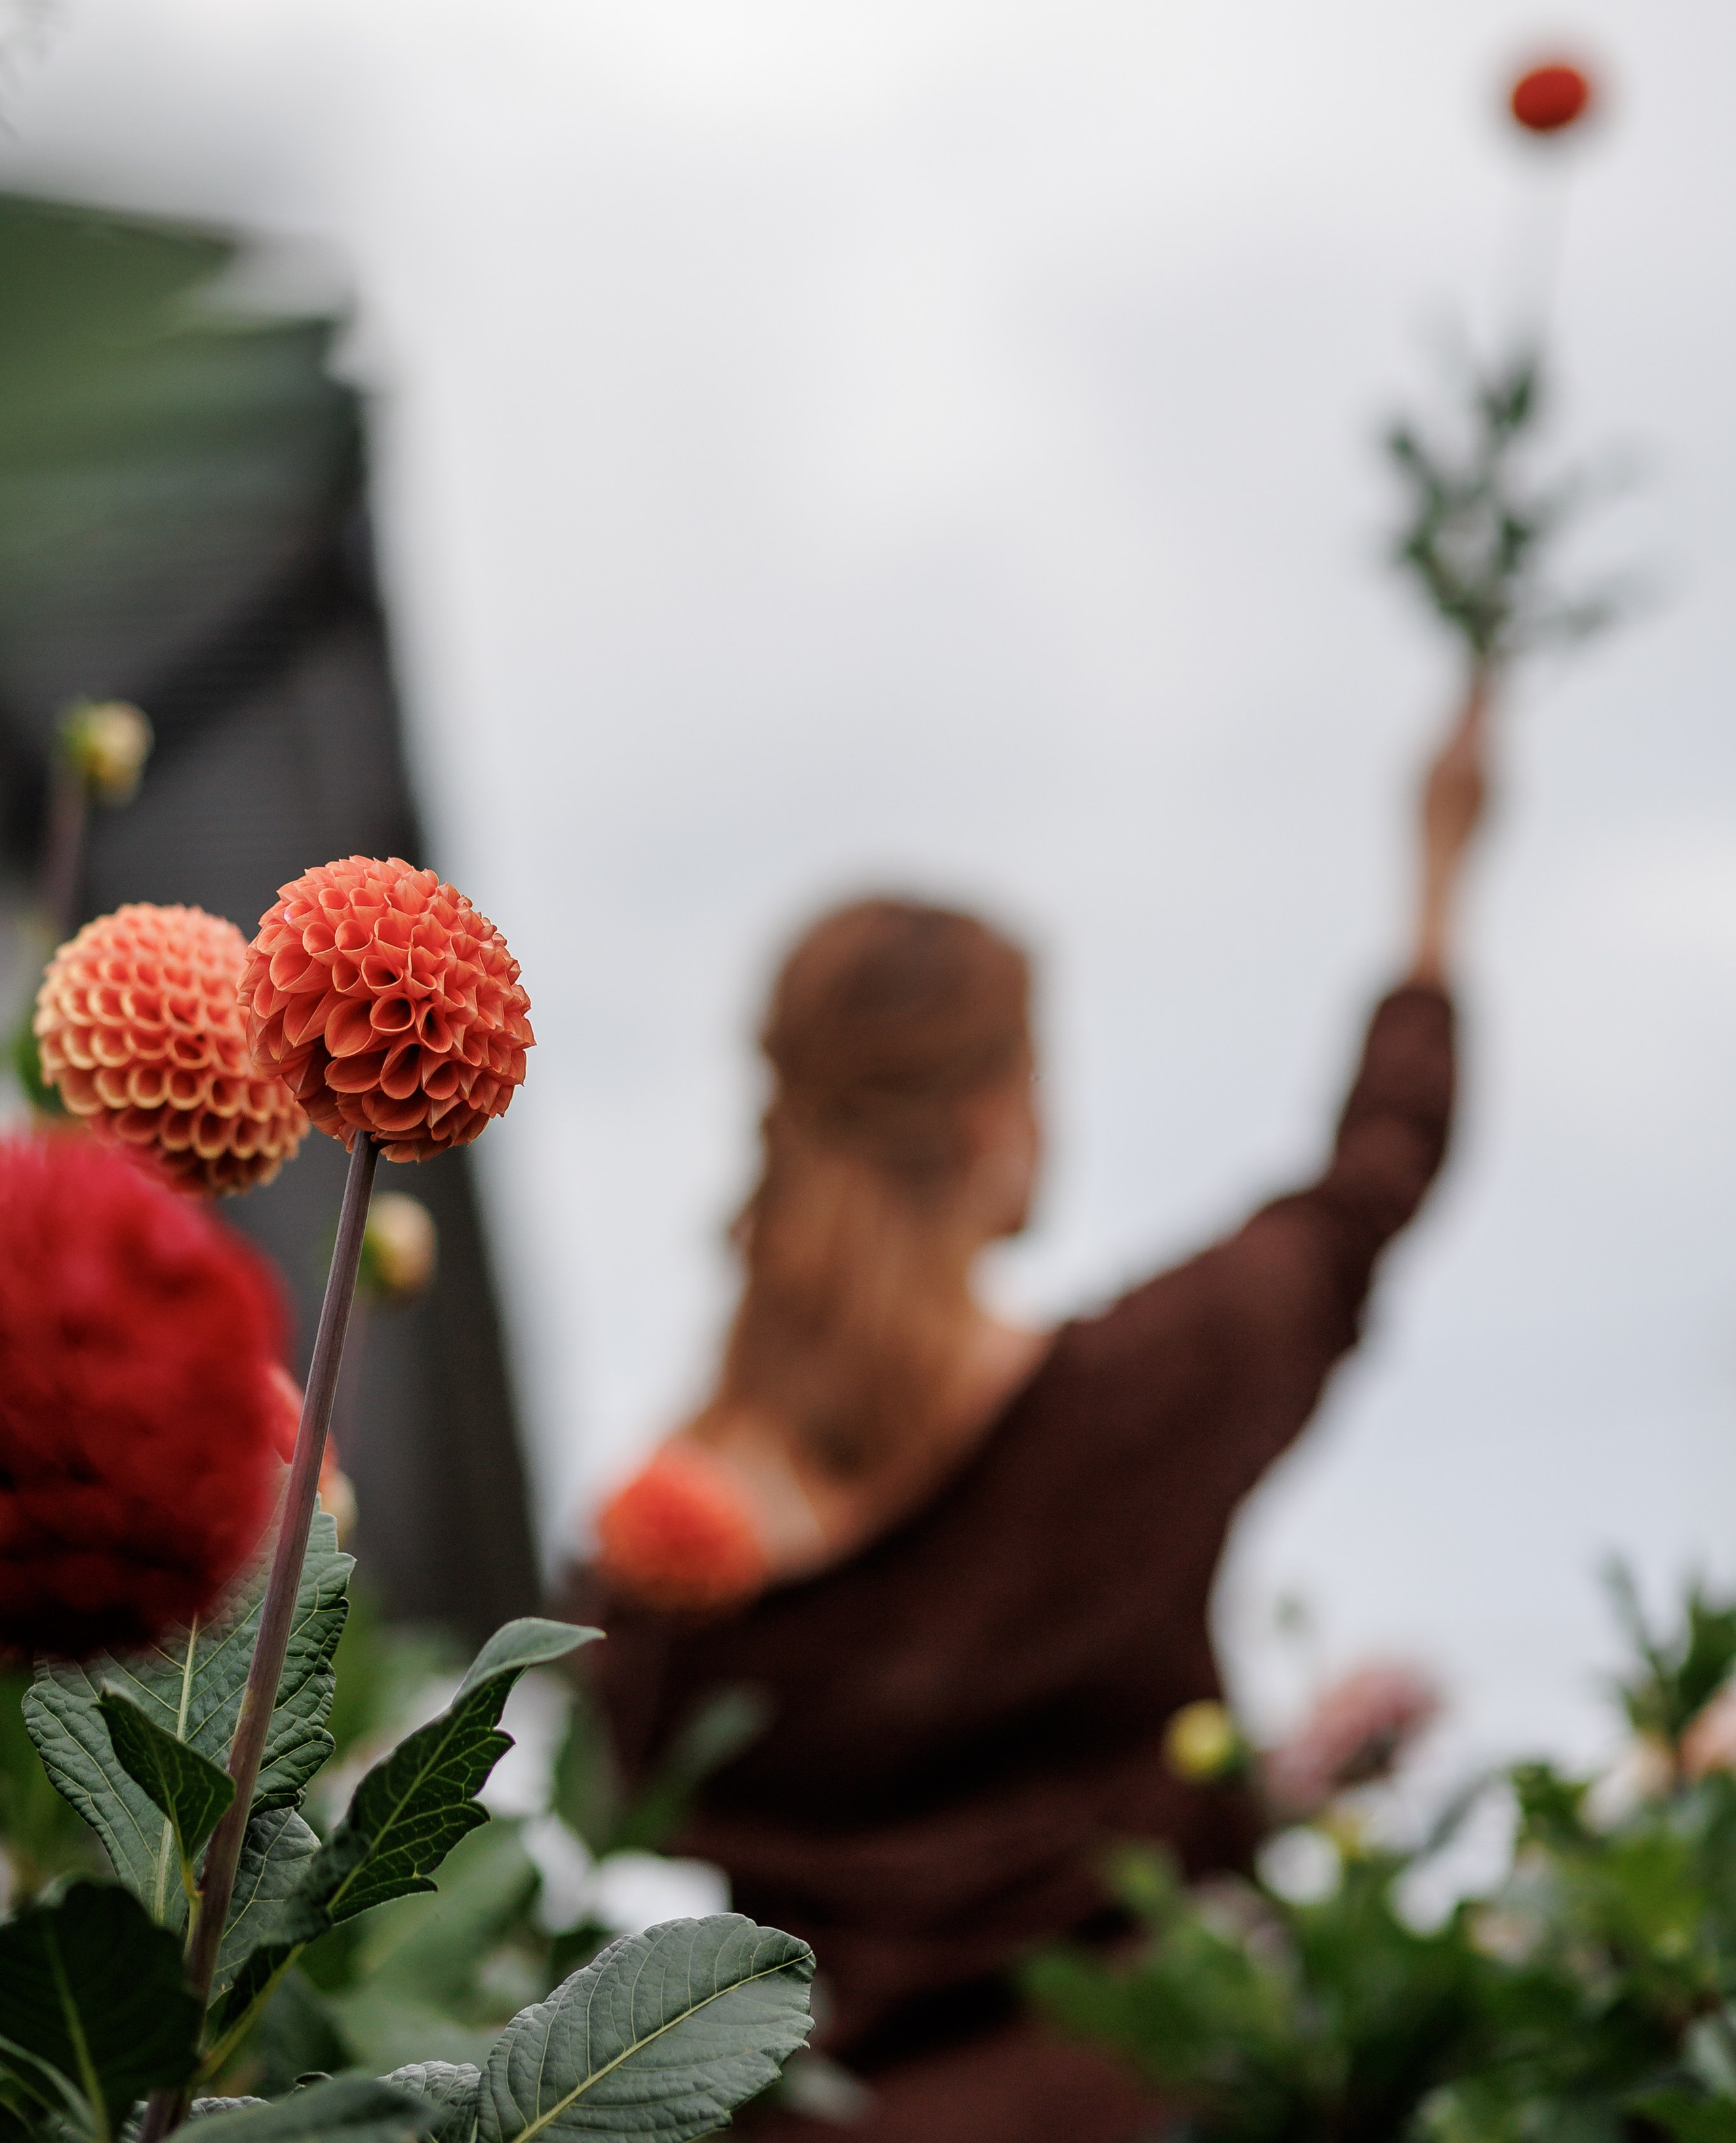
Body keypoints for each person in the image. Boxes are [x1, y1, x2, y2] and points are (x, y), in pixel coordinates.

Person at [566, 687, 1491, 2143]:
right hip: (1153, 2098)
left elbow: (611, 1789)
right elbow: (1368, 1184)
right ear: (995, 1118)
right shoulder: (1131, 1406)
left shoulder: (664, 1546)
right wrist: (1436, 876)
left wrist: (1267, 1788)